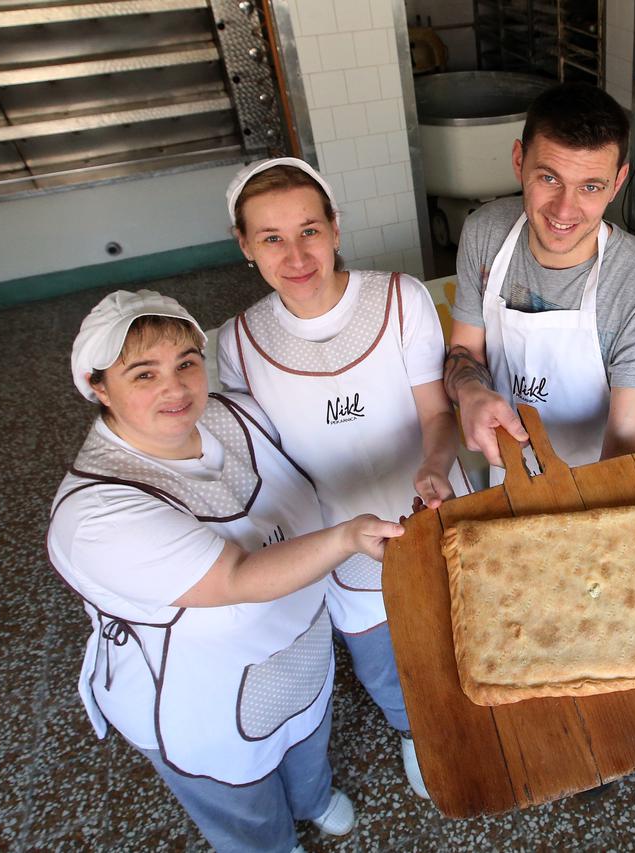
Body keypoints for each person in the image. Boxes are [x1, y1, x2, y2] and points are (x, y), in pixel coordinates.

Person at [49, 290, 403, 852]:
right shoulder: (95, 515)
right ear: (99, 387)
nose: (175, 388)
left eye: (186, 363)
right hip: (202, 699)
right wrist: (346, 537)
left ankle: (312, 799)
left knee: (308, 736)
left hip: (301, 651)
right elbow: (236, 577)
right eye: (144, 374)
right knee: (242, 799)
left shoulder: (235, 415)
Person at [216, 157, 462, 798]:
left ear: (335, 227)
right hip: (336, 537)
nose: (296, 255)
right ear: (245, 246)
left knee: (457, 623)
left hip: (431, 504)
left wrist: (434, 465)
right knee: (379, 659)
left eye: (309, 231)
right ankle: (415, 731)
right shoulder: (239, 342)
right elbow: (265, 463)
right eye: (271, 238)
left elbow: (437, 414)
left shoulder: (399, 298)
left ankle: (470, 708)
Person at [444, 81, 635, 471]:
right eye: (549, 179)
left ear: (617, 183)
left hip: (596, 480)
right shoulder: (485, 233)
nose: (564, 210)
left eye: (590, 187)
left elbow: (625, 441)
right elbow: (465, 351)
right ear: (519, 161)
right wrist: (470, 392)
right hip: (507, 471)